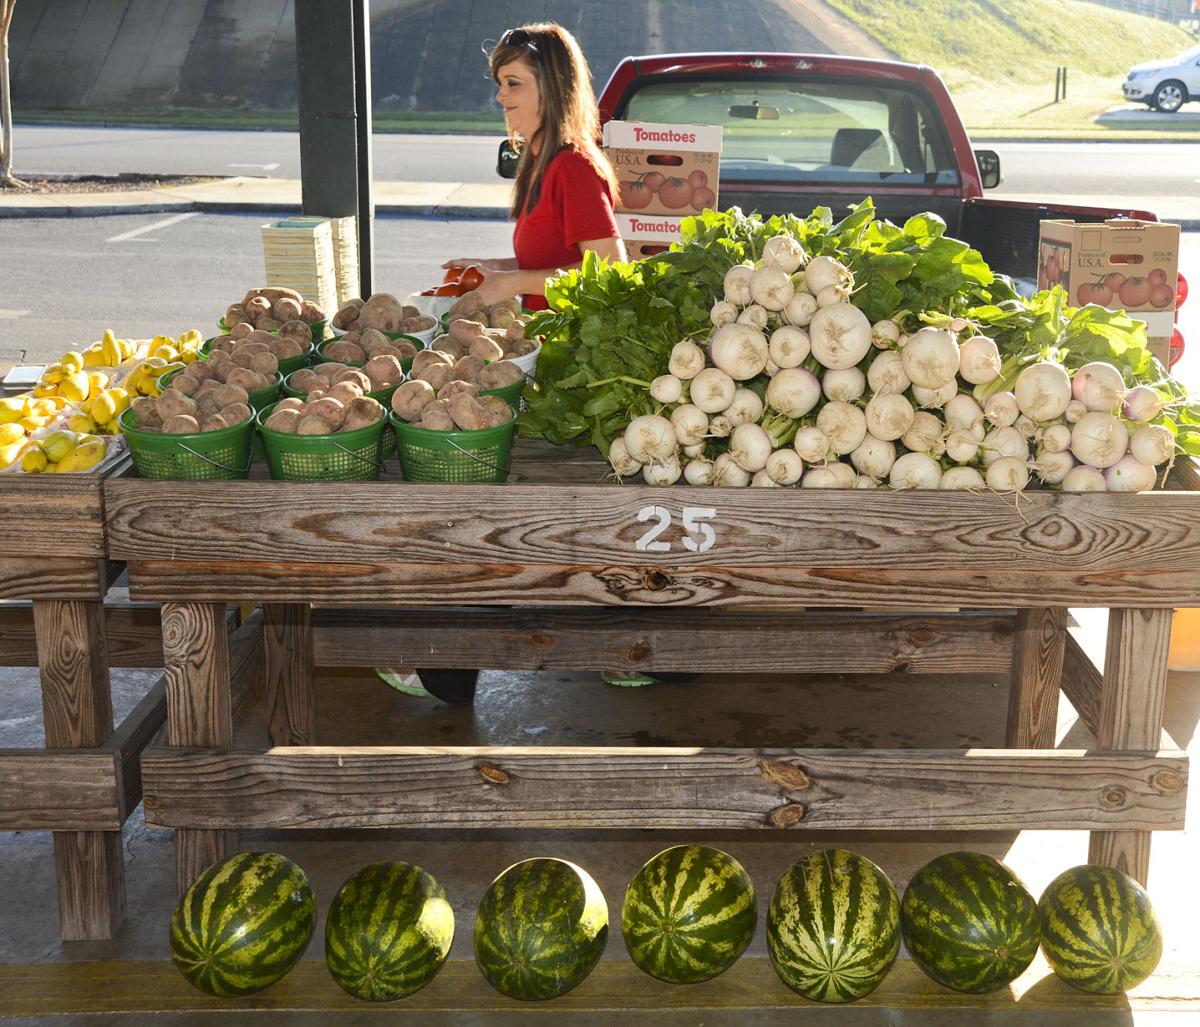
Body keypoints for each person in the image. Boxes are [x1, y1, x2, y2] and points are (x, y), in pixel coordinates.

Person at [441, 22, 626, 309]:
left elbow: (609, 269)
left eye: (513, 83)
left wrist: (515, 282)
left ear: (552, 87)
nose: (500, 96)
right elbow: (549, 263)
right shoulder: (541, 162)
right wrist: (494, 268)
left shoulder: (573, 167)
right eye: (500, 84)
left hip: (569, 348)